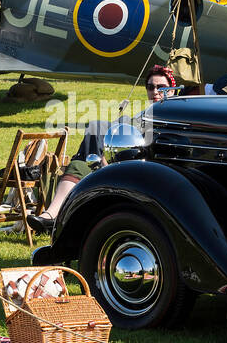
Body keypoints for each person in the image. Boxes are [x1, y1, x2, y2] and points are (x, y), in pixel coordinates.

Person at [27, 66, 176, 233]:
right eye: (150, 87)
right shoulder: (146, 112)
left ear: (172, 90)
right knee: (80, 161)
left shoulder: (175, 114)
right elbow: (127, 127)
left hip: (141, 167)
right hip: (119, 157)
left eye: (161, 87)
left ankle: (98, 171)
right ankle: (50, 216)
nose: (155, 91)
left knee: (91, 141)